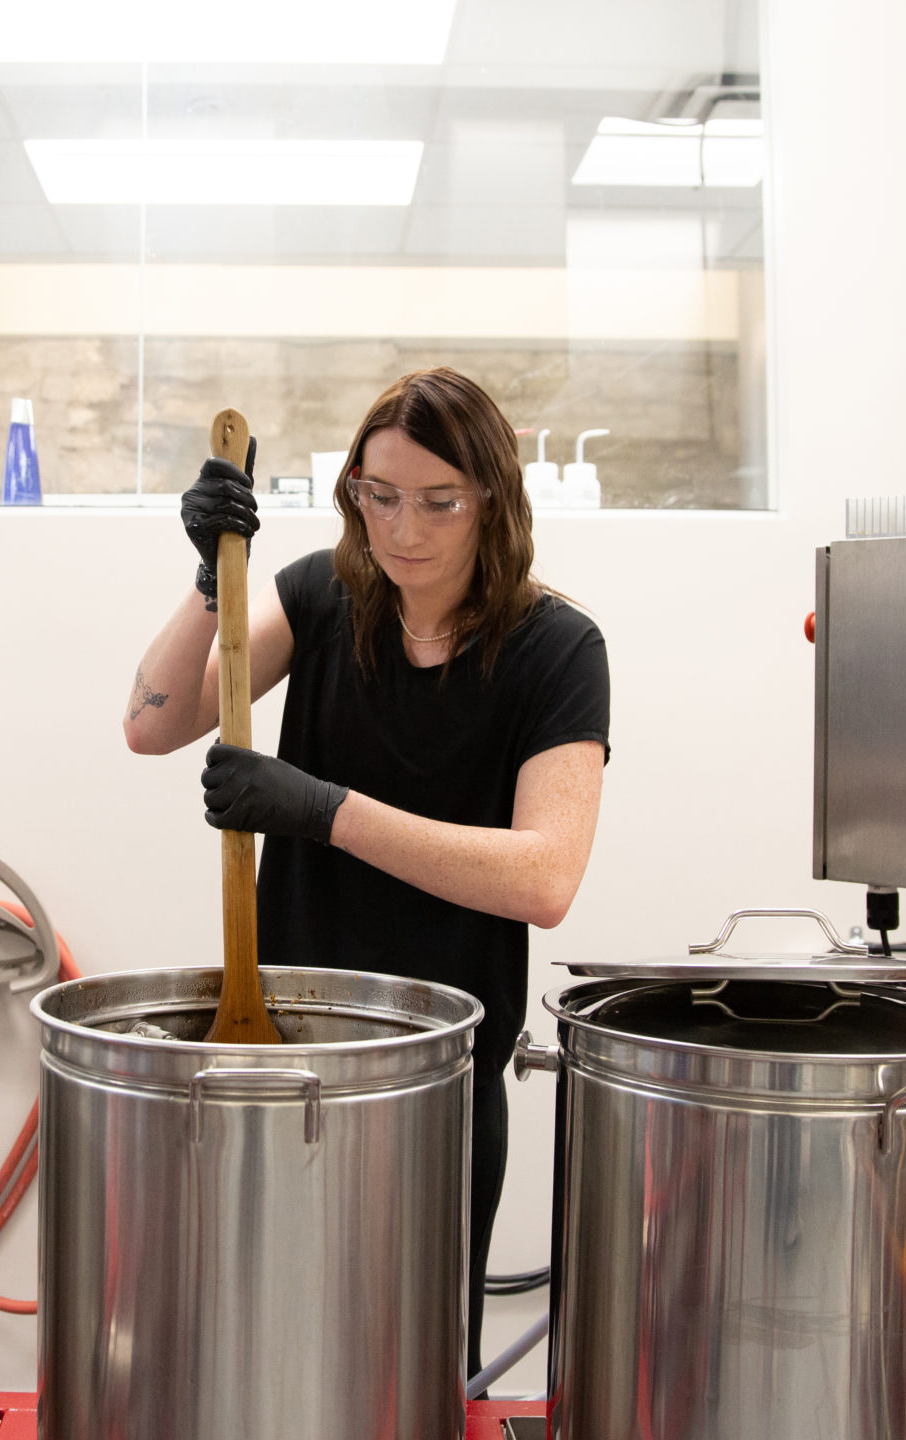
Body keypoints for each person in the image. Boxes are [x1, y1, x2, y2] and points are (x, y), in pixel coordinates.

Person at [122, 367, 610, 1377]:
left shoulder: (556, 650)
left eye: (439, 502)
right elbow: (153, 723)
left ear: (492, 502)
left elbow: (543, 879)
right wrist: (210, 583)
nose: (403, 530)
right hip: (286, 1050)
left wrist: (326, 811)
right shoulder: (320, 600)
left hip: (438, 1076)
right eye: (377, 496)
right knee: (265, 1354)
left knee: (408, 1370)